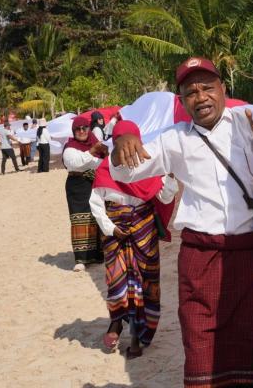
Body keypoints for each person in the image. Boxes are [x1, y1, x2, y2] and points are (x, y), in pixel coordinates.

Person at [111, 56, 253, 387]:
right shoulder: (174, 139)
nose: (201, 97)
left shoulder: (248, 122)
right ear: (182, 100)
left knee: (252, 335)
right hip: (200, 256)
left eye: (207, 88)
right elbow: (124, 171)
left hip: (250, 253)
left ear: (222, 89)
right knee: (200, 337)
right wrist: (120, 143)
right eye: (191, 92)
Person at [90, 120, 179, 359]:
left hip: (144, 229)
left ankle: (137, 334)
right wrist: (110, 229)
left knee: (143, 281)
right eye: (123, 140)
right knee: (117, 280)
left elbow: (164, 195)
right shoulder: (106, 168)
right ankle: (116, 323)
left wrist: (170, 179)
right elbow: (96, 203)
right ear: (115, 142)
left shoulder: (149, 165)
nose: (129, 146)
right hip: (114, 231)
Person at [63, 115, 108, 272]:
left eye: (84, 128)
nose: (81, 131)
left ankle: (97, 255)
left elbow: (102, 163)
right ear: (73, 131)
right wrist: (92, 152)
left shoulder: (96, 144)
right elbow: (74, 163)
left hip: (95, 185)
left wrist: (104, 152)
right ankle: (81, 258)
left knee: (96, 216)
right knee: (79, 218)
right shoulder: (70, 147)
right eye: (78, 129)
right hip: (77, 186)